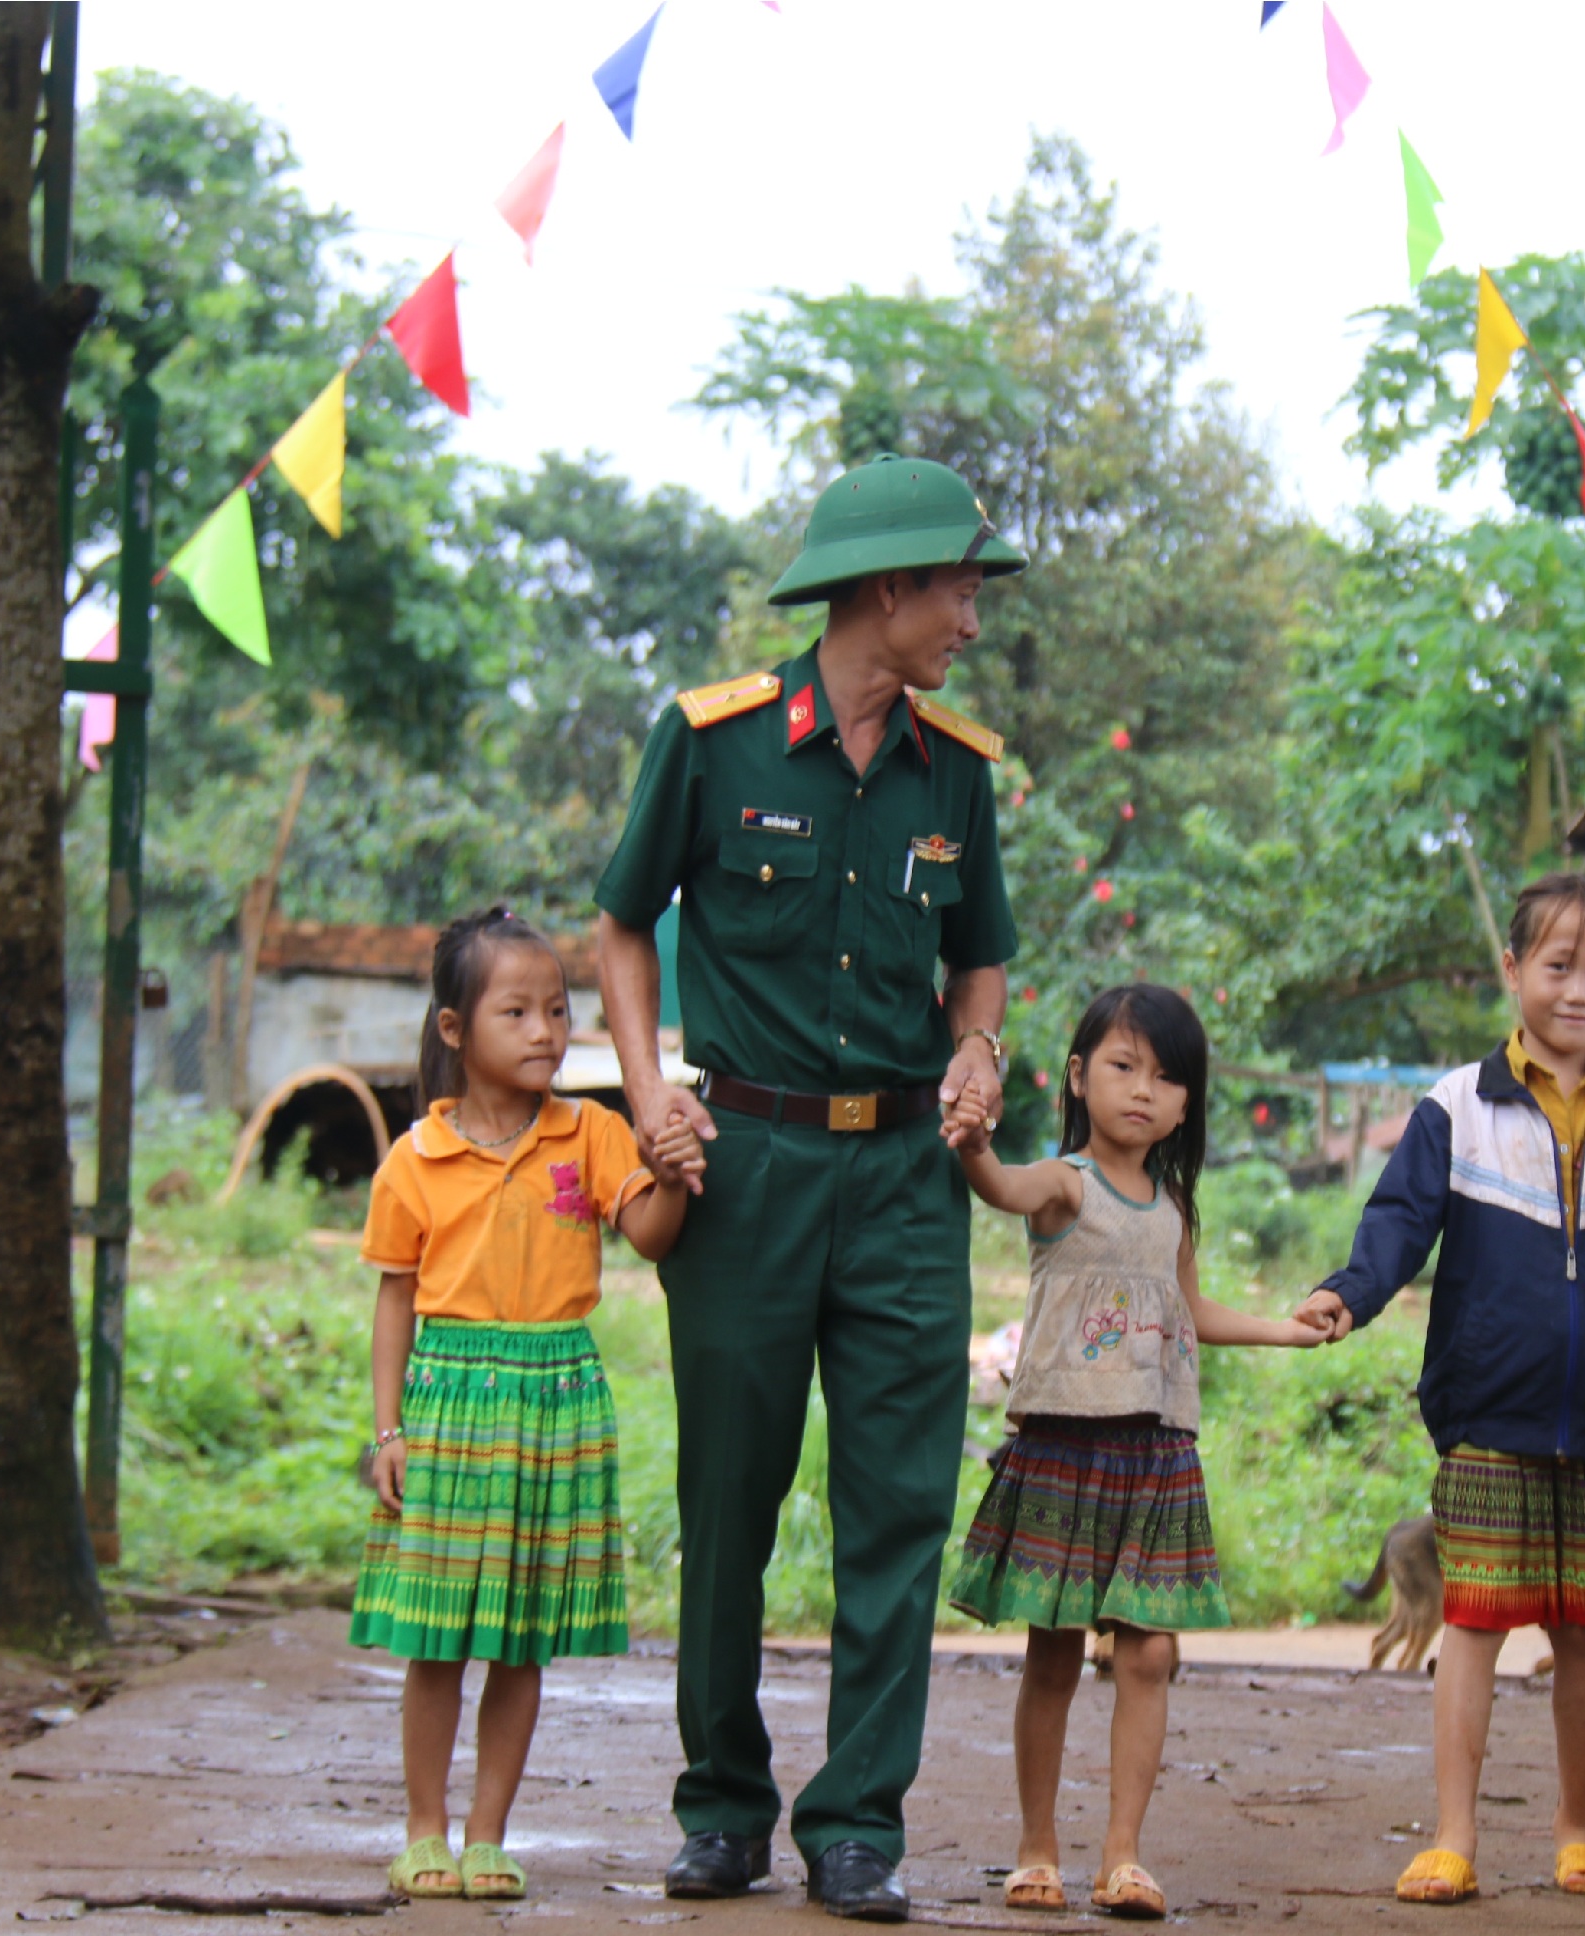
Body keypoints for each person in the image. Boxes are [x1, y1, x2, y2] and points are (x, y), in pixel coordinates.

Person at [593, 454, 1026, 1922]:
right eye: (960, 587)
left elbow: (981, 962)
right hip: (747, 1168)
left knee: (898, 1507)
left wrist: (980, 1051)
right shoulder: (712, 742)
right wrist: (650, 1090)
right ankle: (721, 1806)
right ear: (887, 590)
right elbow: (619, 928)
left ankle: (859, 1827)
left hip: (909, 1174)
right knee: (730, 1498)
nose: (973, 614)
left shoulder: (955, 765)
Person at [1296, 873, 1585, 1907]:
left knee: (1584, 1630)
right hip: (1488, 1414)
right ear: (1513, 970)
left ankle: (1577, 1828)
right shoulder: (1455, 1108)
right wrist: (1351, 1291)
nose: (1582, 990)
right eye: (1560, 966)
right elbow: (1398, 1223)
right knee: (1473, 1621)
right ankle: (1453, 1834)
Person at [941, 985, 1329, 1921]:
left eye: (1167, 1077)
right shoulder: (1065, 1183)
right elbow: (1002, 1189)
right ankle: (1038, 1847)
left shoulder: (1173, 1210)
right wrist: (975, 1144)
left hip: (1157, 1458)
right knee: (1054, 1656)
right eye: (1123, 1067)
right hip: (1065, 1451)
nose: (1144, 1091)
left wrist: (1285, 1329)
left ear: (1189, 1103)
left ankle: (1124, 1857)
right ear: (1079, 1078)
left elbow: (1190, 1312)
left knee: (1150, 1656)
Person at [351, 908, 698, 1902]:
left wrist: (671, 1172)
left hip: (556, 1404)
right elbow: (394, 1304)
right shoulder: (413, 1159)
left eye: (558, 1008)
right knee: (437, 1637)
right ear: (455, 1028)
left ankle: (490, 1832)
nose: (547, 1030)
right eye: (517, 1011)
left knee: (518, 1634)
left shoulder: (591, 1132)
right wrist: (389, 1432)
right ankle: (424, 1829)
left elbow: (652, 1234)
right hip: (449, 1405)